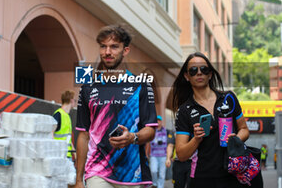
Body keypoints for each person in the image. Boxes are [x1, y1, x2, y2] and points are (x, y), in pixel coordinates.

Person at [74, 24, 158, 188]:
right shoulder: (88, 87)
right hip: (96, 170)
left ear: (125, 50)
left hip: (132, 172)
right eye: (103, 46)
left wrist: (132, 138)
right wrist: (78, 180)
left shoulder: (141, 85)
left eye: (114, 47)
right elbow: (83, 135)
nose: (107, 52)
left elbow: (150, 130)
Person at [171, 52, 249, 188]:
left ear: (210, 74)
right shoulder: (184, 110)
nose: (199, 73)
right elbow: (181, 154)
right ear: (187, 76)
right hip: (202, 178)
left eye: (204, 69)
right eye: (193, 70)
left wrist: (236, 139)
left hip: (234, 173)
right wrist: (196, 138)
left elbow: (244, 129)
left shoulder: (228, 98)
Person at [149, 115, 174, 188]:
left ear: (161, 121)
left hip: (163, 156)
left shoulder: (166, 131)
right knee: (153, 170)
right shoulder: (152, 131)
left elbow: (170, 145)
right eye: (156, 120)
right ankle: (155, 184)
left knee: (162, 174)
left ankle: (160, 186)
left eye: (159, 120)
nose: (157, 122)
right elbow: (148, 143)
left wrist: (169, 158)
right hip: (153, 155)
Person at [53, 90, 76, 160]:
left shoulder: (67, 116)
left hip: (67, 155)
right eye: (75, 100)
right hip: (60, 156)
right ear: (71, 100)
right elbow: (50, 134)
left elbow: (67, 138)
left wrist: (74, 152)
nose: (75, 103)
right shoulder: (58, 114)